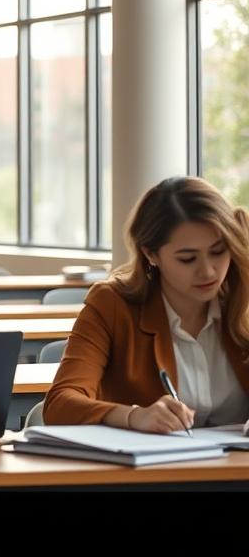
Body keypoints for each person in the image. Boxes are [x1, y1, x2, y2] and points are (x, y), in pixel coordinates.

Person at [44, 177, 249, 432]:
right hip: (147, 458)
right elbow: (60, 405)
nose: (208, 271)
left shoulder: (242, 302)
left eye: (218, 252)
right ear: (150, 254)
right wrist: (134, 416)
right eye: (187, 259)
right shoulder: (112, 305)